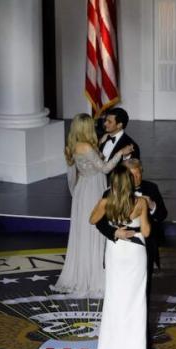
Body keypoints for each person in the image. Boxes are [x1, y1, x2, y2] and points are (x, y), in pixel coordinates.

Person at [50, 113, 133, 297]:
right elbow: (104, 168)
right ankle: (93, 277)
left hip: (83, 189)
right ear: (86, 128)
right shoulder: (86, 147)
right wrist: (121, 153)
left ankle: (83, 273)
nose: (99, 126)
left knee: (83, 234)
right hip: (93, 189)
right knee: (95, 231)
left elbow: (79, 169)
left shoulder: (73, 146)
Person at [94, 158, 167, 349]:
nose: (137, 177)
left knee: (141, 299)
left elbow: (162, 215)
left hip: (142, 252)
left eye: (139, 173)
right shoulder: (109, 194)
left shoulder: (150, 189)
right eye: (133, 174)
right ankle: (118, 343)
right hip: (118, 249)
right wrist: (114, 233)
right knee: (117, 297)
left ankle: (141, 345)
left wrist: (151, 207)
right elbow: (98, 222)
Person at [99, 107, 140, 180]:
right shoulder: (102, 138)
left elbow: (129, 174)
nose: (105, 123)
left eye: (109, 122)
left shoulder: (130, 145)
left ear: (119, 125)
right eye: (106, 120)